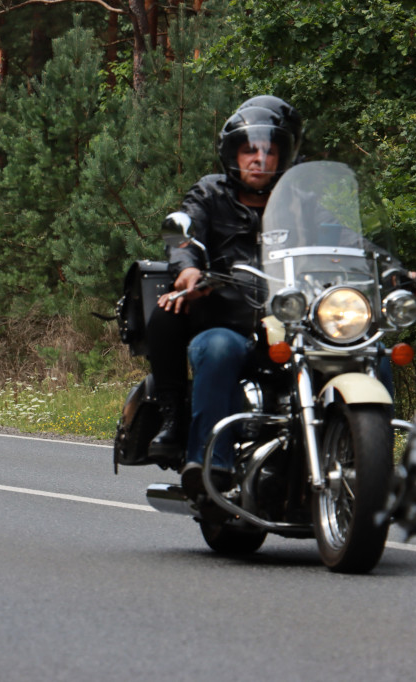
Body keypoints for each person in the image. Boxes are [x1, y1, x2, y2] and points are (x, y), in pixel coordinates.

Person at [144, 96, 303, 496]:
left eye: (269, 150)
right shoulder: (210, 193)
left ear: (282, 155)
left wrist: (389, 272)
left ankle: (368, 468)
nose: (259, 159)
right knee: (216, 348)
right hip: (228, 324)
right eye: (250, 150)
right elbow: (181, 234)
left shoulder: (301, 201)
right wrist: (190, 268)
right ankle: (209, 464)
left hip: (293, 329)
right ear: (233, 153)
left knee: (368, 357)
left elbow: (341, 241)